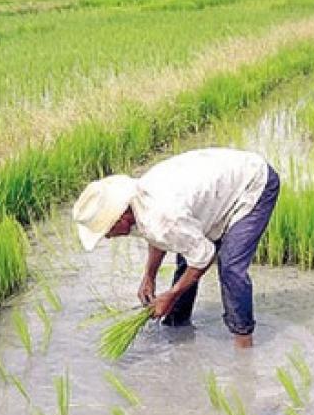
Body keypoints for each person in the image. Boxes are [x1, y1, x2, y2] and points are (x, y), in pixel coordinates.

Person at [72, 148, 280, 348]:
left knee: (230, 267)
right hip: (216, 191)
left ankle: (243, 345)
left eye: (107, 230)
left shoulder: (162, 216)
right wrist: (149, 276)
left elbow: (203, 255)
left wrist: (171, 294)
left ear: (120, 217)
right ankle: (176, 324)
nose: (108, 237)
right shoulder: (138, 206)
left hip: (252, 184)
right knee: (187, 253)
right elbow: (160, 238)